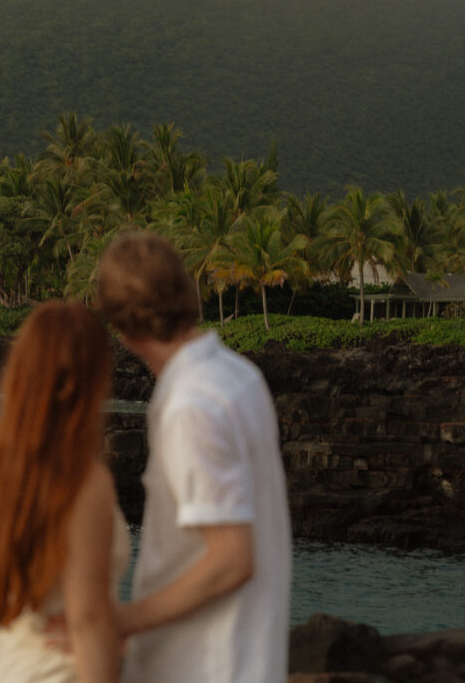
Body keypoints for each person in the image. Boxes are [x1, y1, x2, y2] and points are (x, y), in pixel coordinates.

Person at [97, 232, 292, 683]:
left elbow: (232, 559)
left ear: (120, 326)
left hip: (205, 667)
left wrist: (121, 621)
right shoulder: (240, 375)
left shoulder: (190, 405)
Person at [0, 300, 129, 683]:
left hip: (3, 666)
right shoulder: (83, 479)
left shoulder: (1, 464)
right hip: (58, 671)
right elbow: (87, 619)